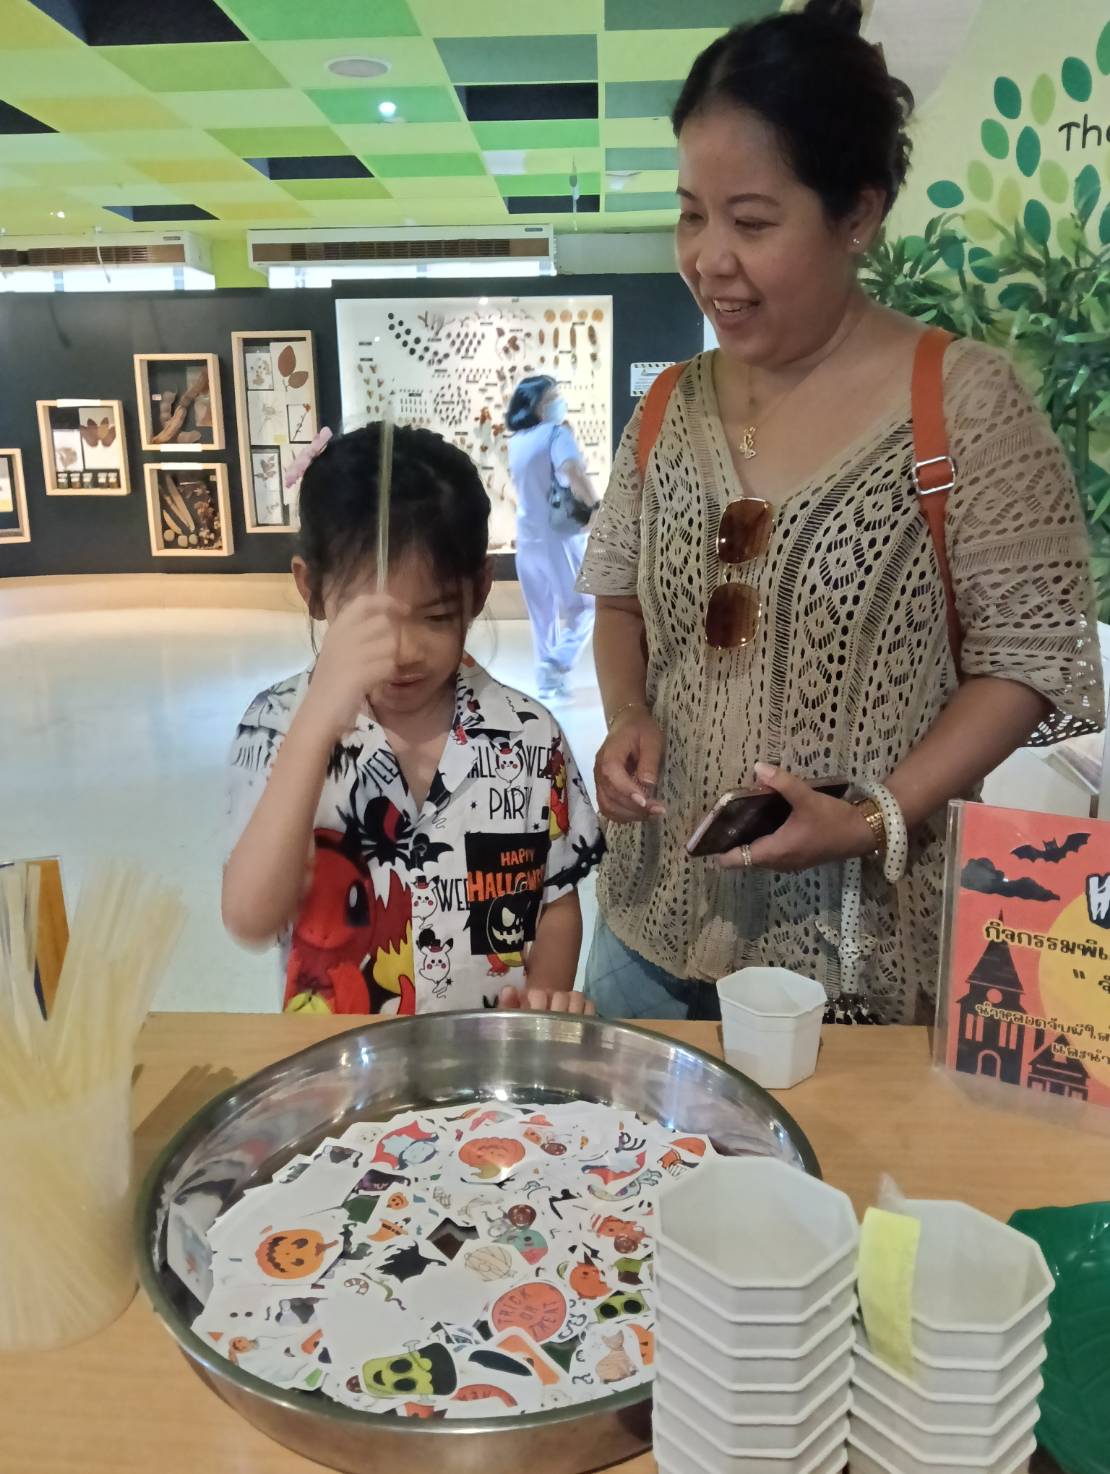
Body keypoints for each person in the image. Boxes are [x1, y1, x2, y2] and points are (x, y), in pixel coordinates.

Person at [578, 0, 1104, 1024]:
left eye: (752, 221)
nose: (709, 258)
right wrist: (627, 716)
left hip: (853, 953)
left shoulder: (964, 404)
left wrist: (872, 817)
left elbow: (1026, 663)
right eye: (691, 214)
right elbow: (620, 601)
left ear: (858, 215)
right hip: (650, 928)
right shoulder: (668, 406)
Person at [223, 423, 603, 1016]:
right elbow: (251, 917)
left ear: (478, 591)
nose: (402, 652)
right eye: (371, 620)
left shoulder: (529, 735)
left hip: (486, 1060)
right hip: (340, 1059)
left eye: (435, 617)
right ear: (312, 589)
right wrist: (314, 730)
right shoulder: (275, 727)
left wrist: (540, 1006)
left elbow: (554, 898)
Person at [507, 375, 599, 701]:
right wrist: (596, 506)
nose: (560, 401)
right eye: (553, 397)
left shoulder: (516, 441)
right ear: (537, 405)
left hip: (526, 537)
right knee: (585, 607)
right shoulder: (556, 434)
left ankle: (547, 682)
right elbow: (573, 472)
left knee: (542, 614)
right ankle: (557, 662)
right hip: (559, 537)